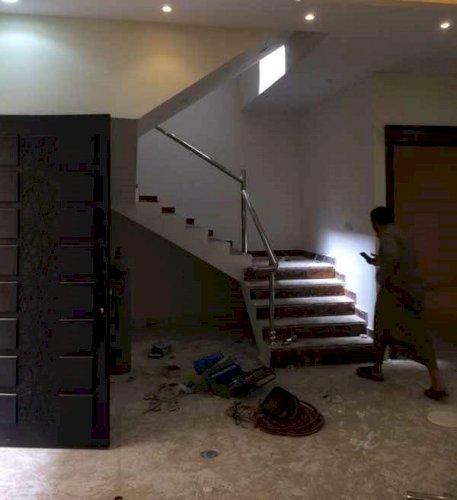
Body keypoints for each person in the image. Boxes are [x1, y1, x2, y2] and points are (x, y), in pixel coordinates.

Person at [356, 206, 448, 401]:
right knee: (403, 331)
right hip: (410, 290)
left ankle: (379, 370)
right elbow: (397, 258)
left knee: (395, 330)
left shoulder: (386, 235)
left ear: (375, 222)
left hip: (397, 292)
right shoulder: (400, 233)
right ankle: (379, 369)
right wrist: (379, 260)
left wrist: (381, 276)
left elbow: (393, 257)